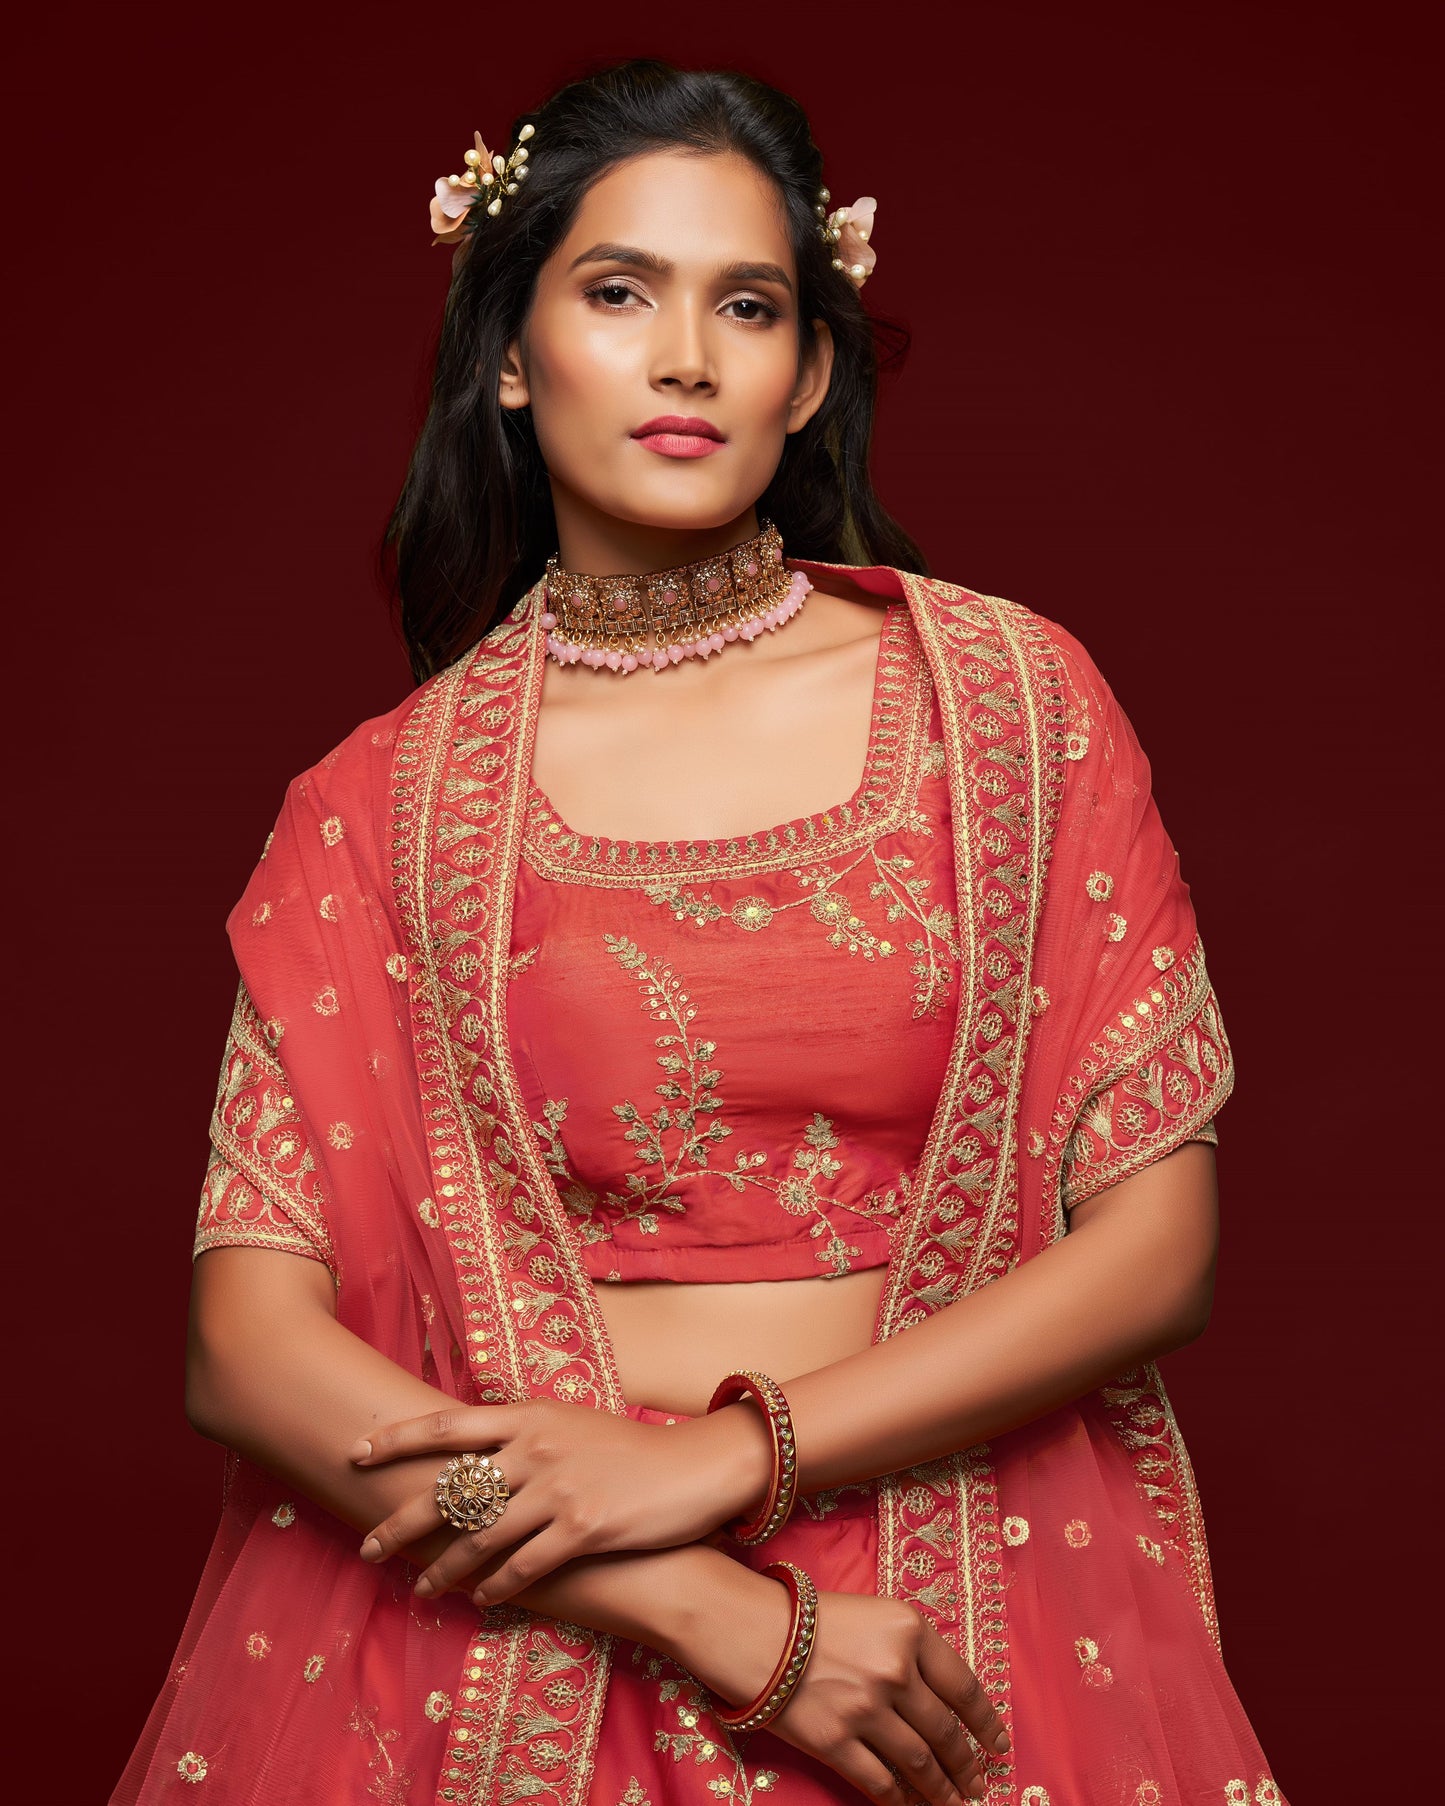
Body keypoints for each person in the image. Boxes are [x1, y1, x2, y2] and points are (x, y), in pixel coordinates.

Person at [113, 58, 1286, 1806]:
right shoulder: (375, 803)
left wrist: (743, 1457)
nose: (684, 355)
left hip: (964, 1605)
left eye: (746, 304)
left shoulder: (1007, 705)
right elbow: (247, 1344)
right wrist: (698, 1604)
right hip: (539, 1601)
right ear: (508, 356)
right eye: (615, 292)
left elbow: (1154, 1244)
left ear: (808, 373)